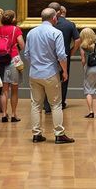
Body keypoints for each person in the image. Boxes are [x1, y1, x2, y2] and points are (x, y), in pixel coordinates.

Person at [25, 8, 72, 143]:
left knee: (35, 105)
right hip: (50, 72)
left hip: (34, 73)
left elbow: (27, 54)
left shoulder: (31, 33)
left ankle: (36, 134)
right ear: (54, 18)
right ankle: (59, 134)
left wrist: (35, 64)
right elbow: (61, 55)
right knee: (56, 104)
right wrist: (65, 71)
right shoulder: (56, 33)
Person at [0, 9, 25, 123]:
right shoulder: (16, 29)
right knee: (14, 90)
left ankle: (4, 114)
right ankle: (14, 114)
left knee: (4, 90)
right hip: (13, 59)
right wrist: (16, 47)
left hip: (0, 60)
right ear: (13, 19)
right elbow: (22, 44)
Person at [50, 3, 78, 110]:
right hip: (65, 55)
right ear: (63, 12)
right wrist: (72, 51)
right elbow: (78, 40)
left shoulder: (50, 23)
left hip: (50, 55)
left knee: (49, 78)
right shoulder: (70, 24)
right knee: (64, 78)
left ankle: (48, 104)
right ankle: (61, 103)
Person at [78, 27, 96, 118]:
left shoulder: (83, 46)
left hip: (89, 69)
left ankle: (90, 111)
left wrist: (84, 68)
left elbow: (83, 60)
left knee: (89, 90)